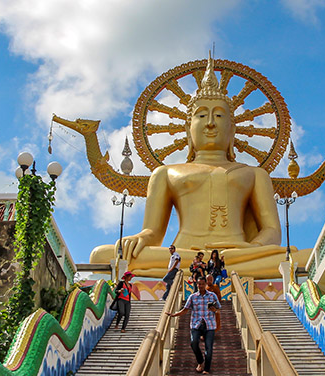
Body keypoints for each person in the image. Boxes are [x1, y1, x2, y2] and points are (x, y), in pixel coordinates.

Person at [89, 55, 310, 278]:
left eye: (220, 116)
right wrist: (139, 239)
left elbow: (272, 232)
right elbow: (153, 232)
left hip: (237, 253)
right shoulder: (165, 173)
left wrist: (253, 247)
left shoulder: (254, 174)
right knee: (102, 255)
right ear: (188, 128)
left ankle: (207, 267)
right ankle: (209, 267)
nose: (211, 122)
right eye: (202, 115)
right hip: (183, 253)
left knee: (305, 257)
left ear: (233, 128)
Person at [166, 277, 220, 373]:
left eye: (202, 284)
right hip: (196, 324)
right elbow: (185, 310)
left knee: (209, 347)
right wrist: (174, 315)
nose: (200, 286)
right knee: (193, 342)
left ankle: (207, 369)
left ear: (206, 284)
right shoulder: (193, 296)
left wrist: (214, 310)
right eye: (199, 284)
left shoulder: (212, 296)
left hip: (209, 324)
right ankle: (200, 361)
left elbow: (218, 308)